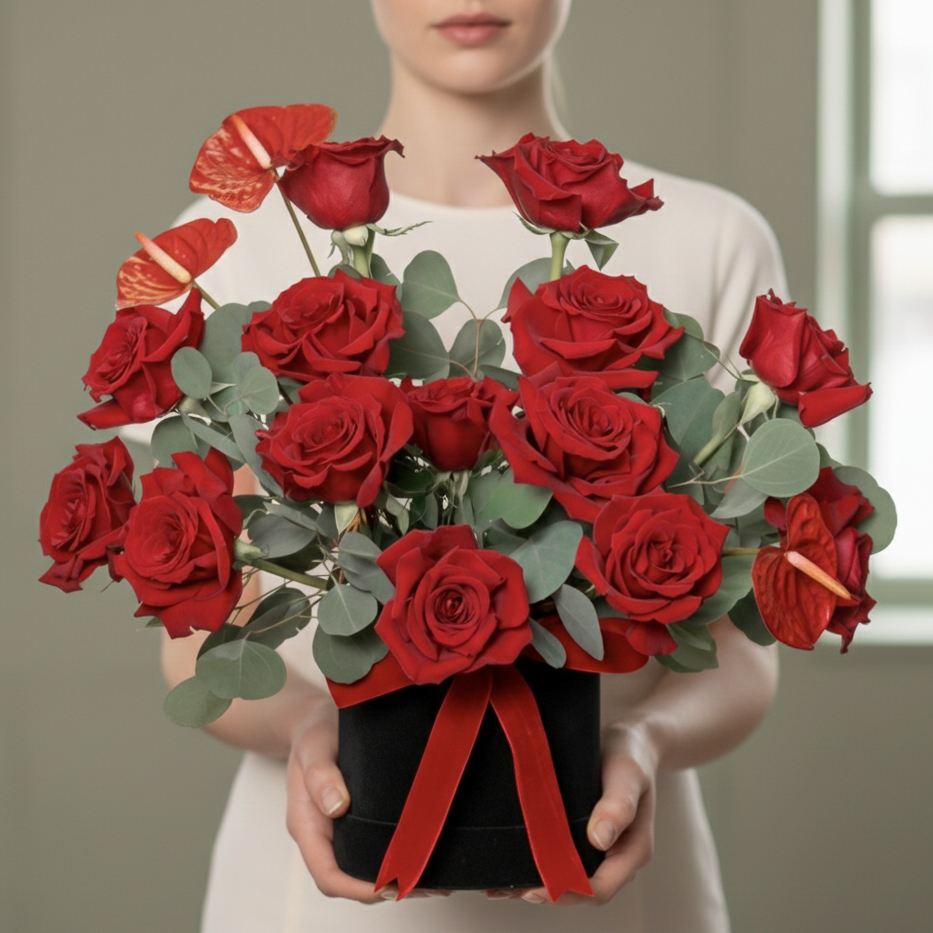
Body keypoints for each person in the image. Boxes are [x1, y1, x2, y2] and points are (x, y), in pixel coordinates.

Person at [162, 2, 784, 930]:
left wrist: (642, 743)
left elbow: (740, 651)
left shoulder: (709, 238)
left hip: (608, 866)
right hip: (323, 874)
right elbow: (194, 644)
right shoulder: (234, 241)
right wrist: (308, 730)